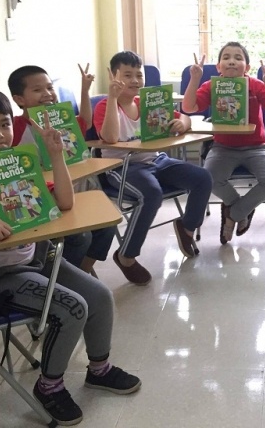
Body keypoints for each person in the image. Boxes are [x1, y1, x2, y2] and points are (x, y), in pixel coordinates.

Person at [0, 87, 140, 425]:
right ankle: (49, 387)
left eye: (5, 124)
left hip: (36, 258)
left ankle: (99, 369)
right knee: (72, 308)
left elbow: (64, 203)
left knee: (100, 296)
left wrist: (55, 156)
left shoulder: (16, 167)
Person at [87, 51, 212, 285]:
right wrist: (113, 98)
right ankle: (126, 255)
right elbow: (110, 137)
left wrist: (181, 123)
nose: (135, 80)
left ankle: (186, 228)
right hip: (121, 166)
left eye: (139, 75)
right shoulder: (105, 105)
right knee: (151, 194)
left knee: (202, 178)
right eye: (127, 75)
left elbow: (185, 117)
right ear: (113, 75)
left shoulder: (147, 102)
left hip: (156, 160)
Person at [0, 58, 98, 269]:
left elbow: (85, 123)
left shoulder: (59, 119)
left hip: (58, 188)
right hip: (32, 195)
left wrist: (84, 90)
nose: (47, 93)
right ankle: (58, 273)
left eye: (50, 87)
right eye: (37, 90)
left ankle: (82, 269)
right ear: (19, 99)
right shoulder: (13, 127)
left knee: (102, 227)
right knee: (80, 236)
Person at [182, 42, 265, 244]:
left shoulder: (255, 84)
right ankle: (241, 208)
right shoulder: (212, 85)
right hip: (223, 147)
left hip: (257, 147)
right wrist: (195, 79)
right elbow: (189, 107)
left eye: (238, 58)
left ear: (247, 67)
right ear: (218, 67)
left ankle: (233, 213)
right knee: (209, 178)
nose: (232, 61)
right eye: (226, 58)